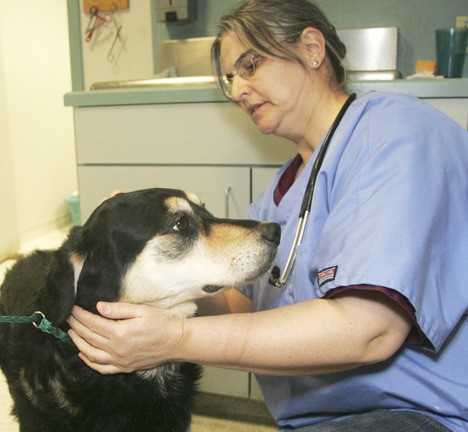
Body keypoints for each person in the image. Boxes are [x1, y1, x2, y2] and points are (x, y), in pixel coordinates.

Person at [68, 0, 468, 430]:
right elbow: (239, 307)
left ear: (312, 48)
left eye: (250, 65)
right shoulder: (279, 194)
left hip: (423, 415)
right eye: (231, 78)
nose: (239, 88)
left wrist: (174, 340)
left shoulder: (396, 137)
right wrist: (140, 256)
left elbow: (367, 329)